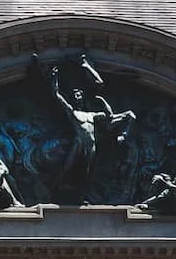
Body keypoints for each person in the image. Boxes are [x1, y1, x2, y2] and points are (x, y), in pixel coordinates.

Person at [50, 66, 135, 194]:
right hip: (78, 143)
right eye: (74, 95)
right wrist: (54, 78)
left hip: (91, 144)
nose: (76, 96)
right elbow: (56, 94)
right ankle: (53, 189)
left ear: (82, 96)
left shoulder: (92, 115)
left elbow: (109, 115)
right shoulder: (72, 112)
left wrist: (103, 101)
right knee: (67, 166)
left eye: (78, 94)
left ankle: (82, 194)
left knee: (87, 170)